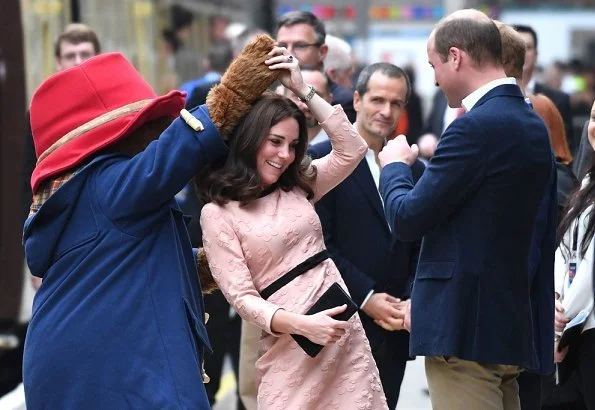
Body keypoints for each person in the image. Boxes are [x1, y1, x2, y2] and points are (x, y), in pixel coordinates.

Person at [22, 32, 282, 409]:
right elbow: (177, 151)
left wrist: (215, 264)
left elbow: (135, 263)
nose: (155, 131)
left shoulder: (81, 193)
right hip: (114, 365)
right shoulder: (108, 183)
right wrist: (235, 92)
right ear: (111, 135)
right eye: (145, 123)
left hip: (80, 362)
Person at [377, 9, 556, 410]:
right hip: (508, 327)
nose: (435, 78)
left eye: (435, 65)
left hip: (463, 334)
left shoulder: (474, 127)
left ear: (455, 57)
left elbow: (407, 218)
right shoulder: (530, 124)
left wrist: (393, 169)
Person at [199, 47, 387, 409]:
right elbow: (241, 298)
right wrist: (303, 325)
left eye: (293, 145)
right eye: (275, 142)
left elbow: (352, 148)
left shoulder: (299, 184)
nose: (285, 154)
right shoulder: (217, 213)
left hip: (343, 339)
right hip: (288, 347)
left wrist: (303, 90)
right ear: (251, 140)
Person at [309, 62, 424, 409]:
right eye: (377, 100)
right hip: (340, 319)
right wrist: (367, 297)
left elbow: (422, 242)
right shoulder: (322, 158)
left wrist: (411, 299)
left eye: (396, 103)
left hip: (394, 327)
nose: (386, 111)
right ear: (356, 99)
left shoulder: (413, 165)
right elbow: (318, 243)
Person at [552, 98, 595, 410]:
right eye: (594, 117)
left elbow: (591, 269)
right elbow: (566, 253)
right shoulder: (587, 183)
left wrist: (558, 330)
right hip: (578, 331)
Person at [276, 11, 356, 122]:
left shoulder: (343, 103)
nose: (288, 54)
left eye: (300, 46)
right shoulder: (266, 92)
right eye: (282, 46)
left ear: (322, 52)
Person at [513, 24, 575, 154]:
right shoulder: (494, 95)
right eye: (517, 47)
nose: (523, 52)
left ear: (536, 54)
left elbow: (566, 150)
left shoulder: (558, 99)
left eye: (528, 47)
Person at [277, 66, 333, 144]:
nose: (306, 106)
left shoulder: (340, 141)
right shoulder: (267, 135)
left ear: (330, 100)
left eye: (315, 97)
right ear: (284, 96)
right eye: (297, 96)